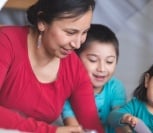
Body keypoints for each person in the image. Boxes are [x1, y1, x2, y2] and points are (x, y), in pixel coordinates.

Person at [0, 0, 105, 133]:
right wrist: (51, 131)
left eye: (84, 32)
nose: (77, 44)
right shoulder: (5, 42)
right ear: (42, 22)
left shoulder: (74, 67)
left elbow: (92, 125)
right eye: (70, 32)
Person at [61, 24, 127, 133]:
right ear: (75, 59)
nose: (102, 68)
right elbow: (72, 126)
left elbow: (119, 120)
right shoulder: (68, 90)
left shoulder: (116, 87)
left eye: (109, 61)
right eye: (93, 60)